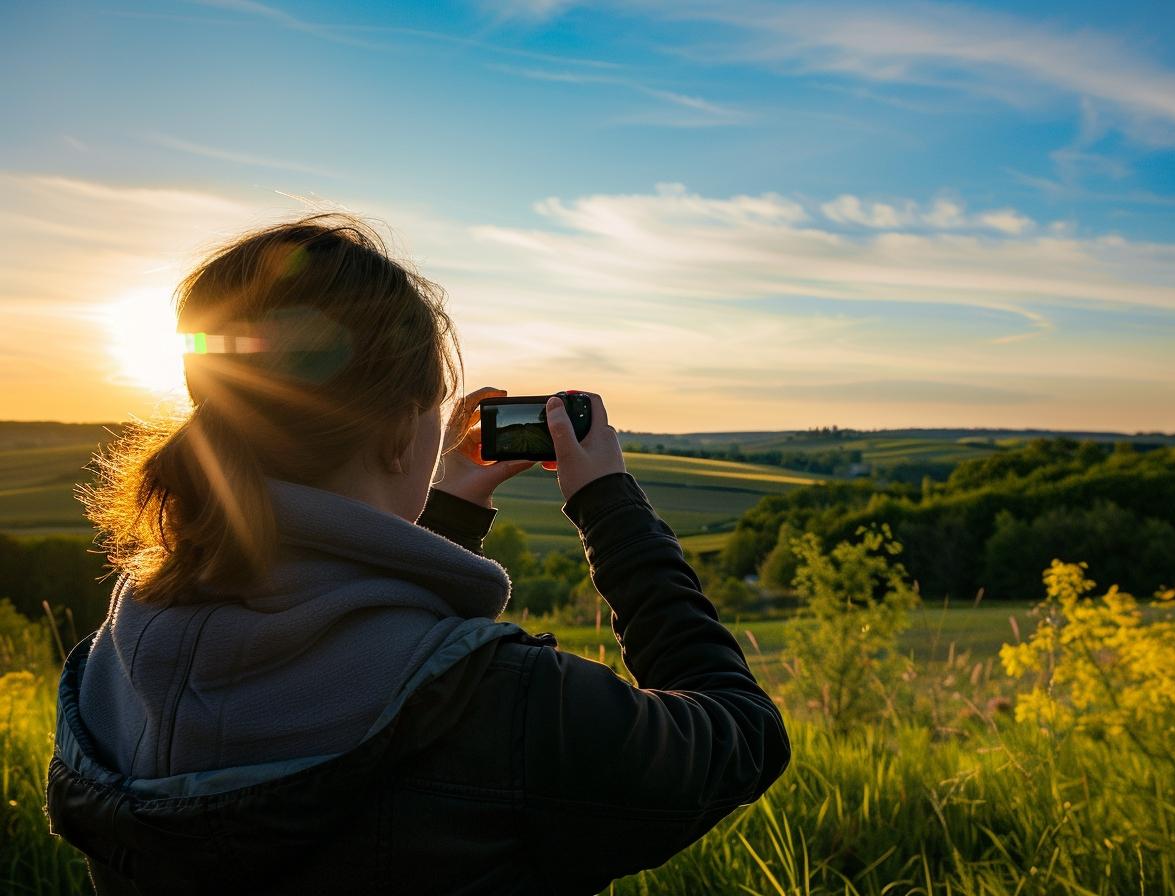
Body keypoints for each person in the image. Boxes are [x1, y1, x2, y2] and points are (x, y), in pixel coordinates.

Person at [45, 214, 791, 895]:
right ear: (402, 432)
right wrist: (609, 504)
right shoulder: (506, 701)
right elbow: (742, 734)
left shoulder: (117, 655)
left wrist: (450, 515)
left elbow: (344, 633)